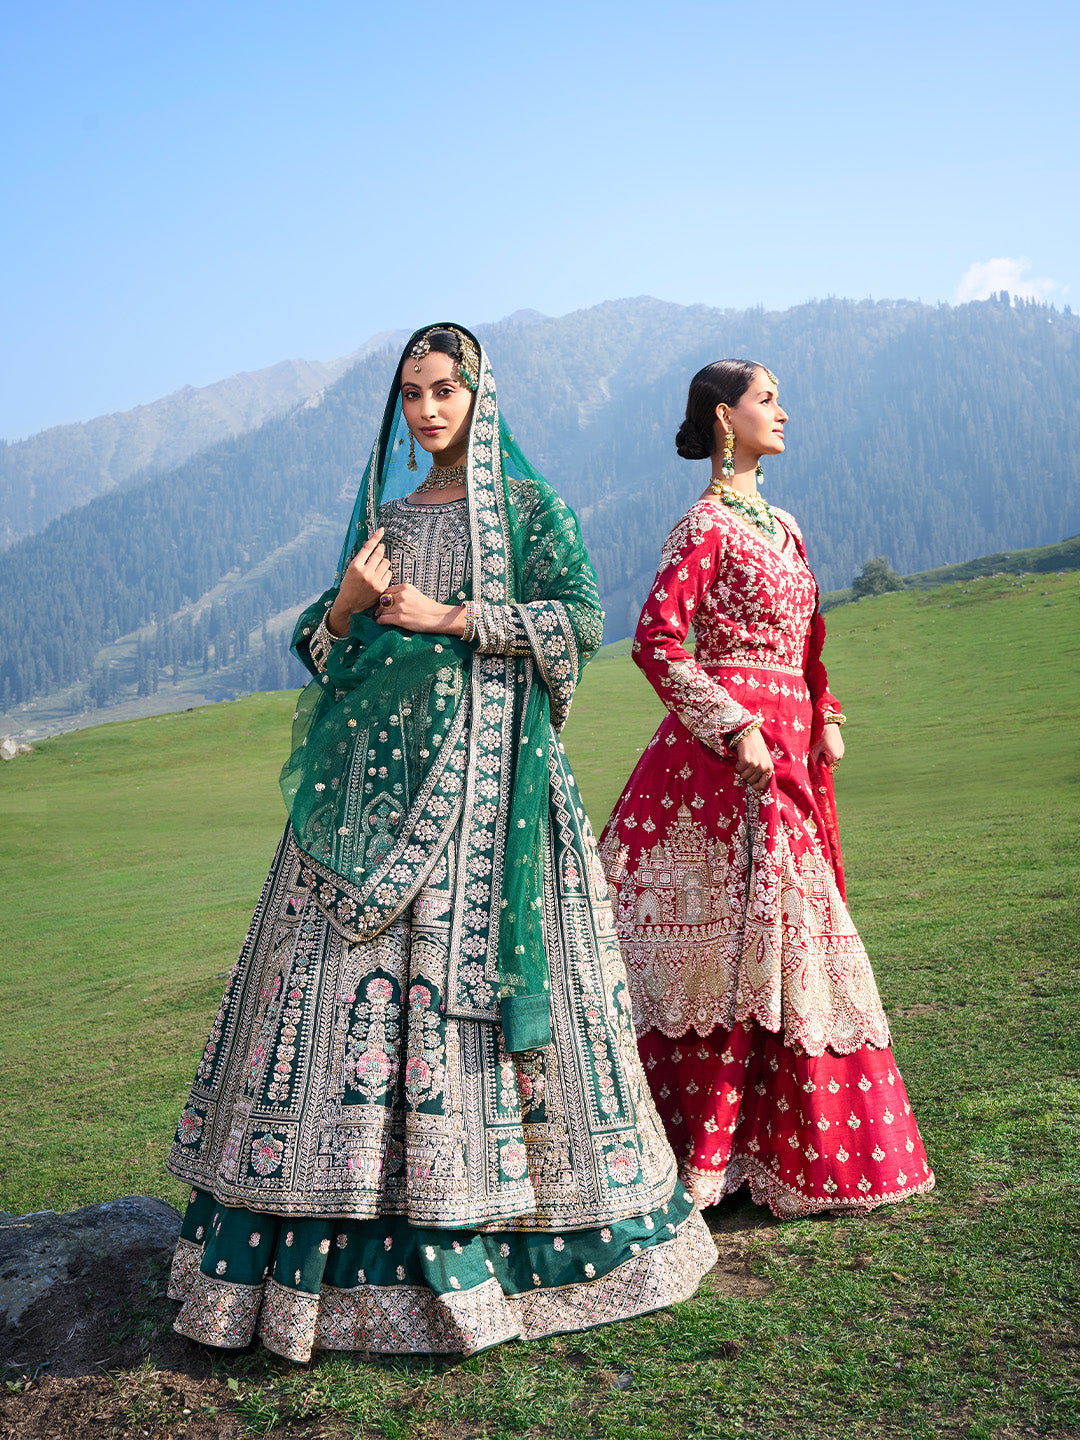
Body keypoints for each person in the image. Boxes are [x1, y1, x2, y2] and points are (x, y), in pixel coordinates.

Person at [165, 324, 716, 1361]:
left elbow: (580, 620)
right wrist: (351, 604)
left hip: (494, 800)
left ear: (479, 398)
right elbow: (330, 653)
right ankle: (312, 1242)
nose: (425, 412)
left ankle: (512, 1224)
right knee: (328, 999)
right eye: (411, 395)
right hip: (368, 803)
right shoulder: (383, 519)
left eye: (444, 392)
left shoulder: (525, 508)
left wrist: (457, 617)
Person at [598, 359, 934, 1218]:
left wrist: (827, 714)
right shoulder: (703, 527)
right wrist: (733, 725)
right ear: (723, 419)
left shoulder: (785, 526)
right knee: (718, 957)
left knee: (799, 950)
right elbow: (657, 643)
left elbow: (807, 642)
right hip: (717, 773)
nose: (783, 413)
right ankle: (702, 1152)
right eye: (767, 400)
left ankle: (782, 1151)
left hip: (793, 759)